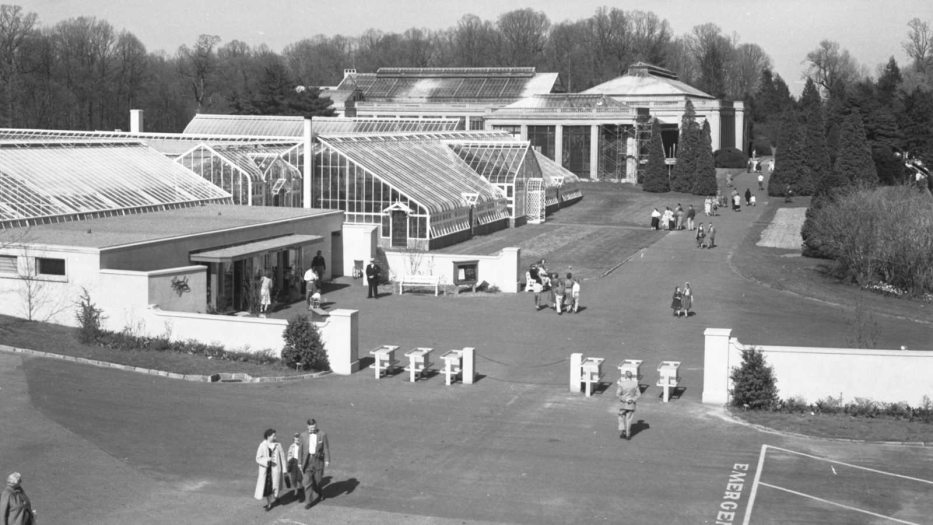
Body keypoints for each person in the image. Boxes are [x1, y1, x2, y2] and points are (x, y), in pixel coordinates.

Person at [299, 418, 331, 509]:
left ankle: (320, 493)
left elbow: (326, 448)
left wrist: (327, 460)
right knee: (307, 482)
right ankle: (308, 502)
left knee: (317, 481)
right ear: (307, 426)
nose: (313, 429)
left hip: (318, 461)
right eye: (311, 427)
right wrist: (299, 462)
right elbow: (300, 449)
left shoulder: (322, 434)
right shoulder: (303, 435)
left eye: (314, 427)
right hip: (307, 461)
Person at [254, 428, 286, 511]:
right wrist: (266, 460)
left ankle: (276, 497)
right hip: (266, 471)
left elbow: (282, 457)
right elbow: (258, 458)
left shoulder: (278, 445)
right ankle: (269, 504)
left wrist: (284, 470)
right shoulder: (262, 445)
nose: (275, 437)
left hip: (276, 470)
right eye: (273, 436)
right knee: (268, 488)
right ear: (268, 436)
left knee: (276, 485)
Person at [617, 371, 641, 440]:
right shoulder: (635, 384)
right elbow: (638, 394)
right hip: (631, 405)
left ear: (625, 376)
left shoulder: (622, 384)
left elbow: (618, 394)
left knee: (621, 418)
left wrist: (624, 399)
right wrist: (632, 399)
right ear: (631, 376)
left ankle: (622, 432)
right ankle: (628, 434)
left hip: (623, 404)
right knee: (629, 420)